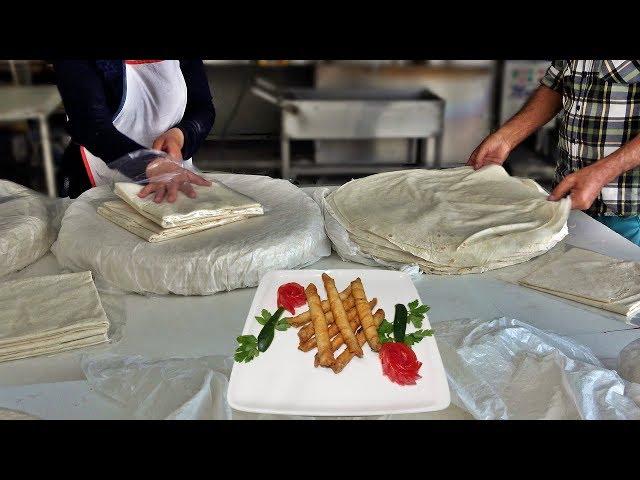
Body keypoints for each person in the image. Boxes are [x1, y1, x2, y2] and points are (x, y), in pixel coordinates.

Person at [468, 60, 640, 245]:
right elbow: (555, 86)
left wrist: (603, 173)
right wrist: (507, 137)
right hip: (566, 203)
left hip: (627, 213)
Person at [53, 60, 214, 202]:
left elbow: (202, 107)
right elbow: (89, 125)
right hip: (98, 183)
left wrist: (181, 135)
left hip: (174, 178)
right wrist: (148, 165)